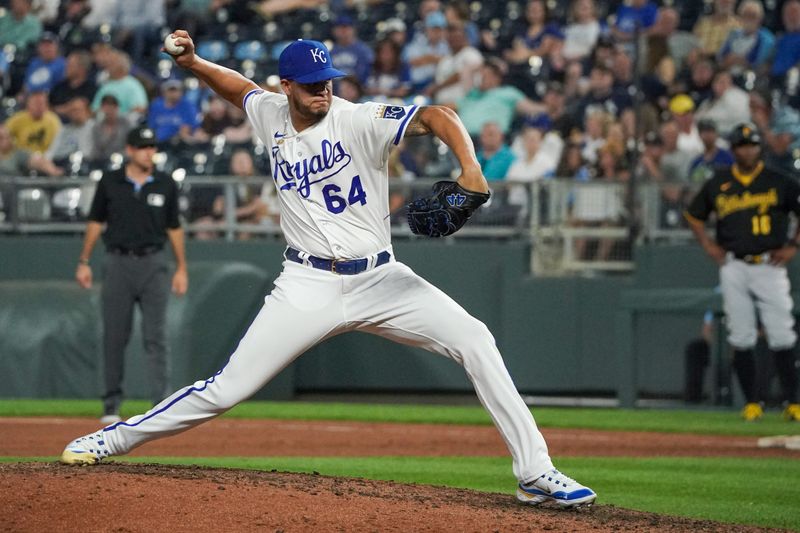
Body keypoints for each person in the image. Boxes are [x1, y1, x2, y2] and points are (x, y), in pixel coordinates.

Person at [60, 32, 597, 509]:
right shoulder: (271, 111)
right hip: (307, 284)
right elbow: (238, 87)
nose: (324, 91)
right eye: (313, 84)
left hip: (382, 280)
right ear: (287, 85)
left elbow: (438, 116)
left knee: (476, 339)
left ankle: (534, 472)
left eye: (329, 82)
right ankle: (115, 437)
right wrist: (194, 64)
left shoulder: (358, 118)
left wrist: (471, 169)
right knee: (226, 389)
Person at [73, 126, 189, 424]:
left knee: (157, 337)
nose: (149, 152)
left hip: (153, 263)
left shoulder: (164, 183)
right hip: (118, 262)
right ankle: (111, 405)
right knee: (114, 336)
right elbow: (96, 222)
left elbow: (174, 227)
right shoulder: (111, 182)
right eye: (143, 147)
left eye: (152, 147)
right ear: (129, 150)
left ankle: (162, 405)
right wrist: (84, 260)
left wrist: (181, 268)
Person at [685, 123, 800, 422]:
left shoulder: (778, 181)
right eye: (742, 145)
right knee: (741, 335)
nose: (747, 150)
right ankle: (752, 402)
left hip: (769, 265)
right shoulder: (719, 182)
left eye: (752, 144)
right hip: (734, 264)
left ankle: (794, 401)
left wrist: (794, 246)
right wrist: (709, 245)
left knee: (782, 333)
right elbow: (694, 215)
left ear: (759, 148)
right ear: (734, 150)